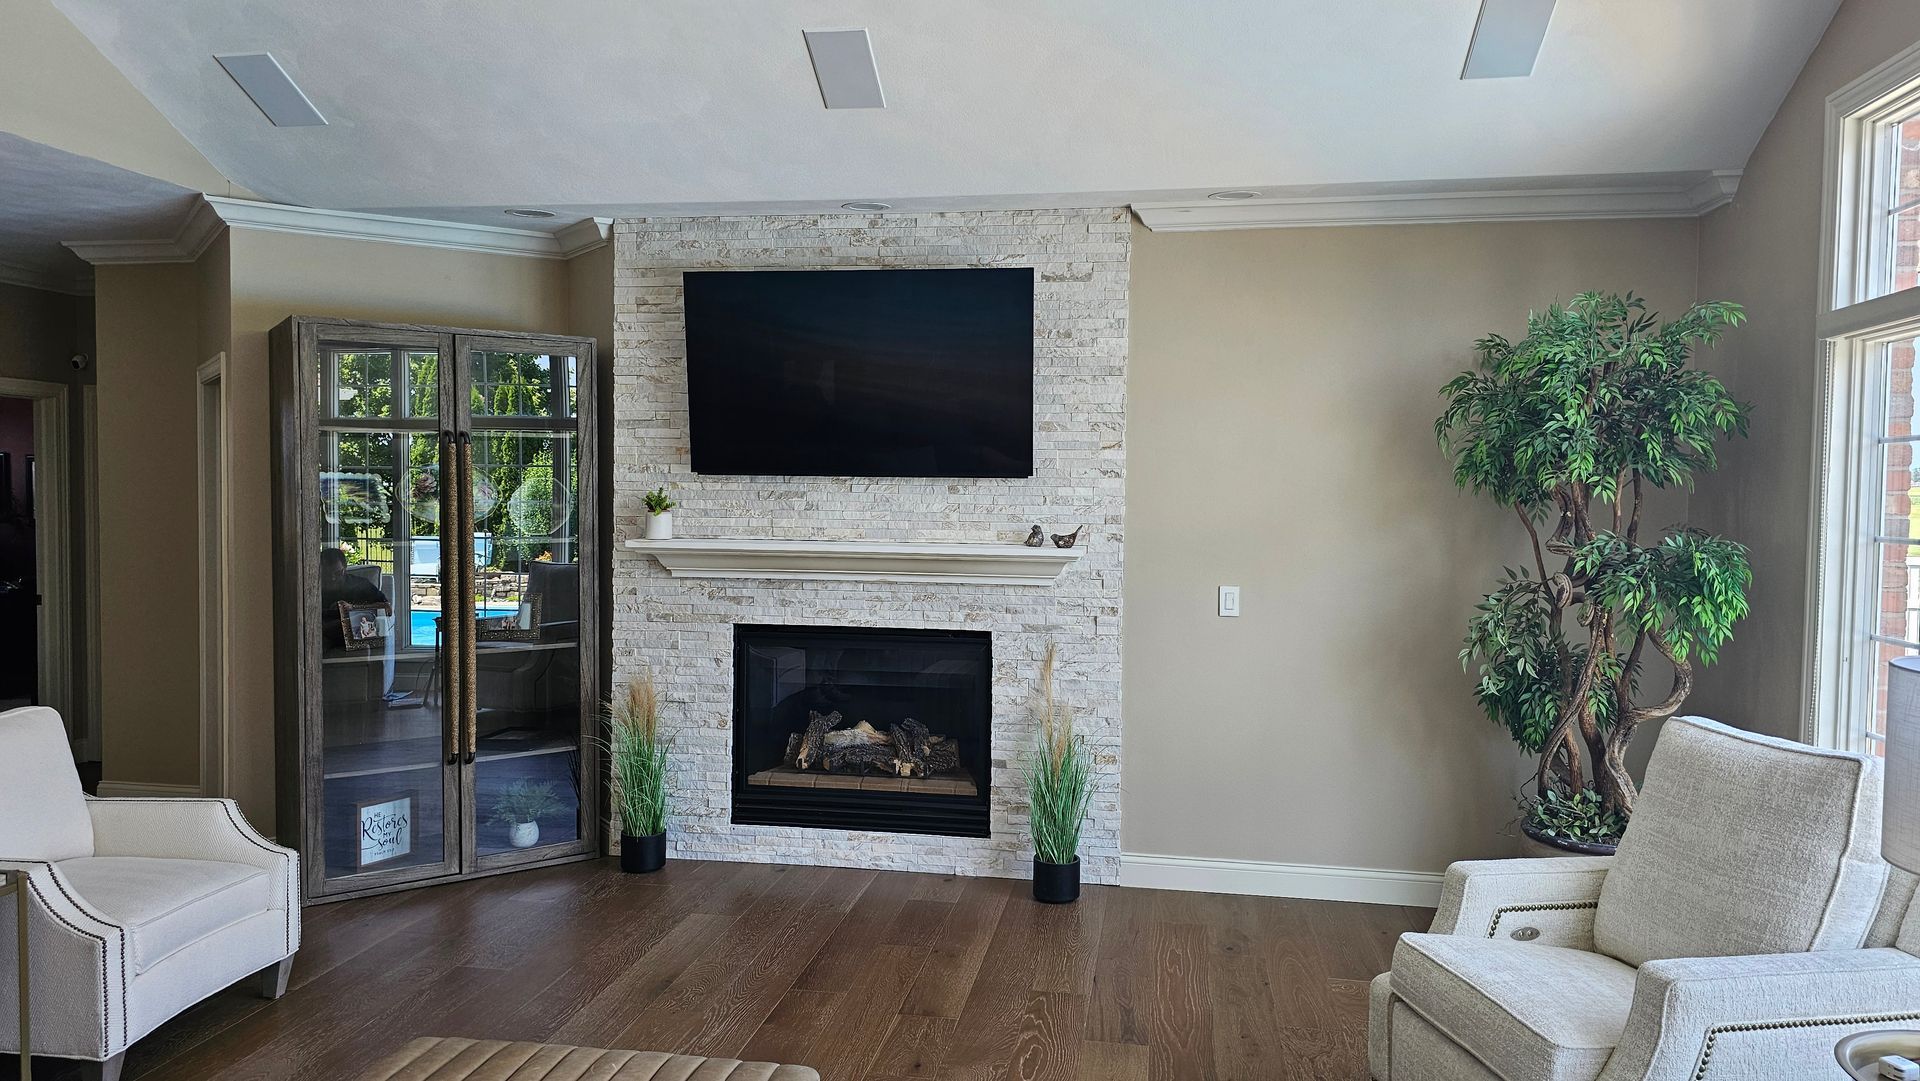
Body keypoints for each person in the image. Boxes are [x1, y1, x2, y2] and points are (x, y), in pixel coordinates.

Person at [320, 547, 389, 648]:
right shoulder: (312, 587)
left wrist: (352, 607)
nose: (333, 578)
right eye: (326, 574)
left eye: (337, 573)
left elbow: (386, 607)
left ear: (345, 568)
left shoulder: (359, 584)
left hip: (345, 632)